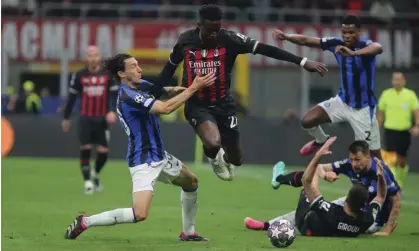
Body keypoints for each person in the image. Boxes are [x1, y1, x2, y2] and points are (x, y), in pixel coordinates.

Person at [157, 4, 328, 181]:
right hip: (197, 104)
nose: (214, 34)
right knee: (213, 142)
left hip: (224, 104)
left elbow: (265, 49)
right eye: (210, 31)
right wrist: (152, 95)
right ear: (199, 26)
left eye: (217, 30)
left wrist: (302, 62)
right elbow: (167, 71)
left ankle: (225, 158)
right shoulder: (185, 41)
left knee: (236, 159)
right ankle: (214, 157)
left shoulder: (230, 39)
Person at [64, 53, 215, 241]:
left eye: (138, 65)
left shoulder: (141, 85)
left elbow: (167, 91)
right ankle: (86, 221)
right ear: (121, 73)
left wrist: (195, 90)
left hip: (160, 155)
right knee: (140, 213)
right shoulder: (128, 95)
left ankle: (188, 233)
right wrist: (193, 88)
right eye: (134, 66)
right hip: (143, 160)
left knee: (191, 182)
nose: (139, 69)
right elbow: (165, 108)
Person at [273, 15, 383, 158]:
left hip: (363, 109)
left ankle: (389, 181)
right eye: (344, 32)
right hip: (342, 102)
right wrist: (286, 36)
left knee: (373, 157)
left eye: (351, 32)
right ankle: (321, 140)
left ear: (358, 32)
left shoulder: (365, 45)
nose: (347, 36)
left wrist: (353, 53)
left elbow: (378, 48)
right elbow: (306, 40)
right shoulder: (336, 44)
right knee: (307, 121)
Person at [245, 140, 400, 236]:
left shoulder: (381, 172)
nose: (354, 164)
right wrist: (325, 175)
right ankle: (266, 224)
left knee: (314, 204)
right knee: (320, 206)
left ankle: (279, 180)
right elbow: (380, 196)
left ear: (368, 157)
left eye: (358, 160)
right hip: (356, 210)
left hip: (372, 222)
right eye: (352, 159)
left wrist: (387, 230)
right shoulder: (352, 166)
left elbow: (396, 199)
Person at [62, 46, 119, 195]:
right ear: (86, 58)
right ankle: (87, 182)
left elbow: (113, 95)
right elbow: (72, 97)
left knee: (103, 151)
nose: (93, 58)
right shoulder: (80, 75)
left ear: (99, 57)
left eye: (95, 55)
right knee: (85, 148)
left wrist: (112, 111)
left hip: (102, 119)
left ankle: (95, 173)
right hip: (85, 118)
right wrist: (66, 117)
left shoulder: (108, 75)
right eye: (89, 55)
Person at [377, 72, 419, 189]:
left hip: (404, 131)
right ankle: (393, 182)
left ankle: (400, 180)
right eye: (395, 79)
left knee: (402, 159)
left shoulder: (410, 95)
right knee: (389, 156)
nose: (397, 81)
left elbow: (416, 111)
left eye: (399, 79)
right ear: (392, 81)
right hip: (390, 130)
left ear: (404, 81)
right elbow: (381, 112)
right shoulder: (386, 94)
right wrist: (377, 125)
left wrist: (417, 125)